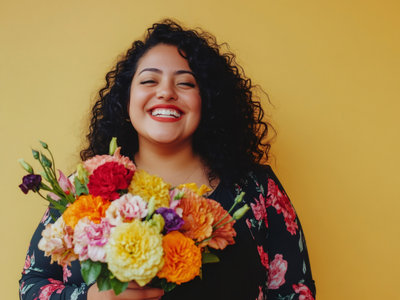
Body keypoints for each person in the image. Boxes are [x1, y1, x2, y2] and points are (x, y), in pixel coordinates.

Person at [19, 19, 316, 300]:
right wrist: (89, 297)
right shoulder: (83, 189)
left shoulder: (256, 190)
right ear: (126, 100)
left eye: (186, 84)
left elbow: (296, 292)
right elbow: (32, 283)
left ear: (208, 102)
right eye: (149, 81)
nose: (166, 92)